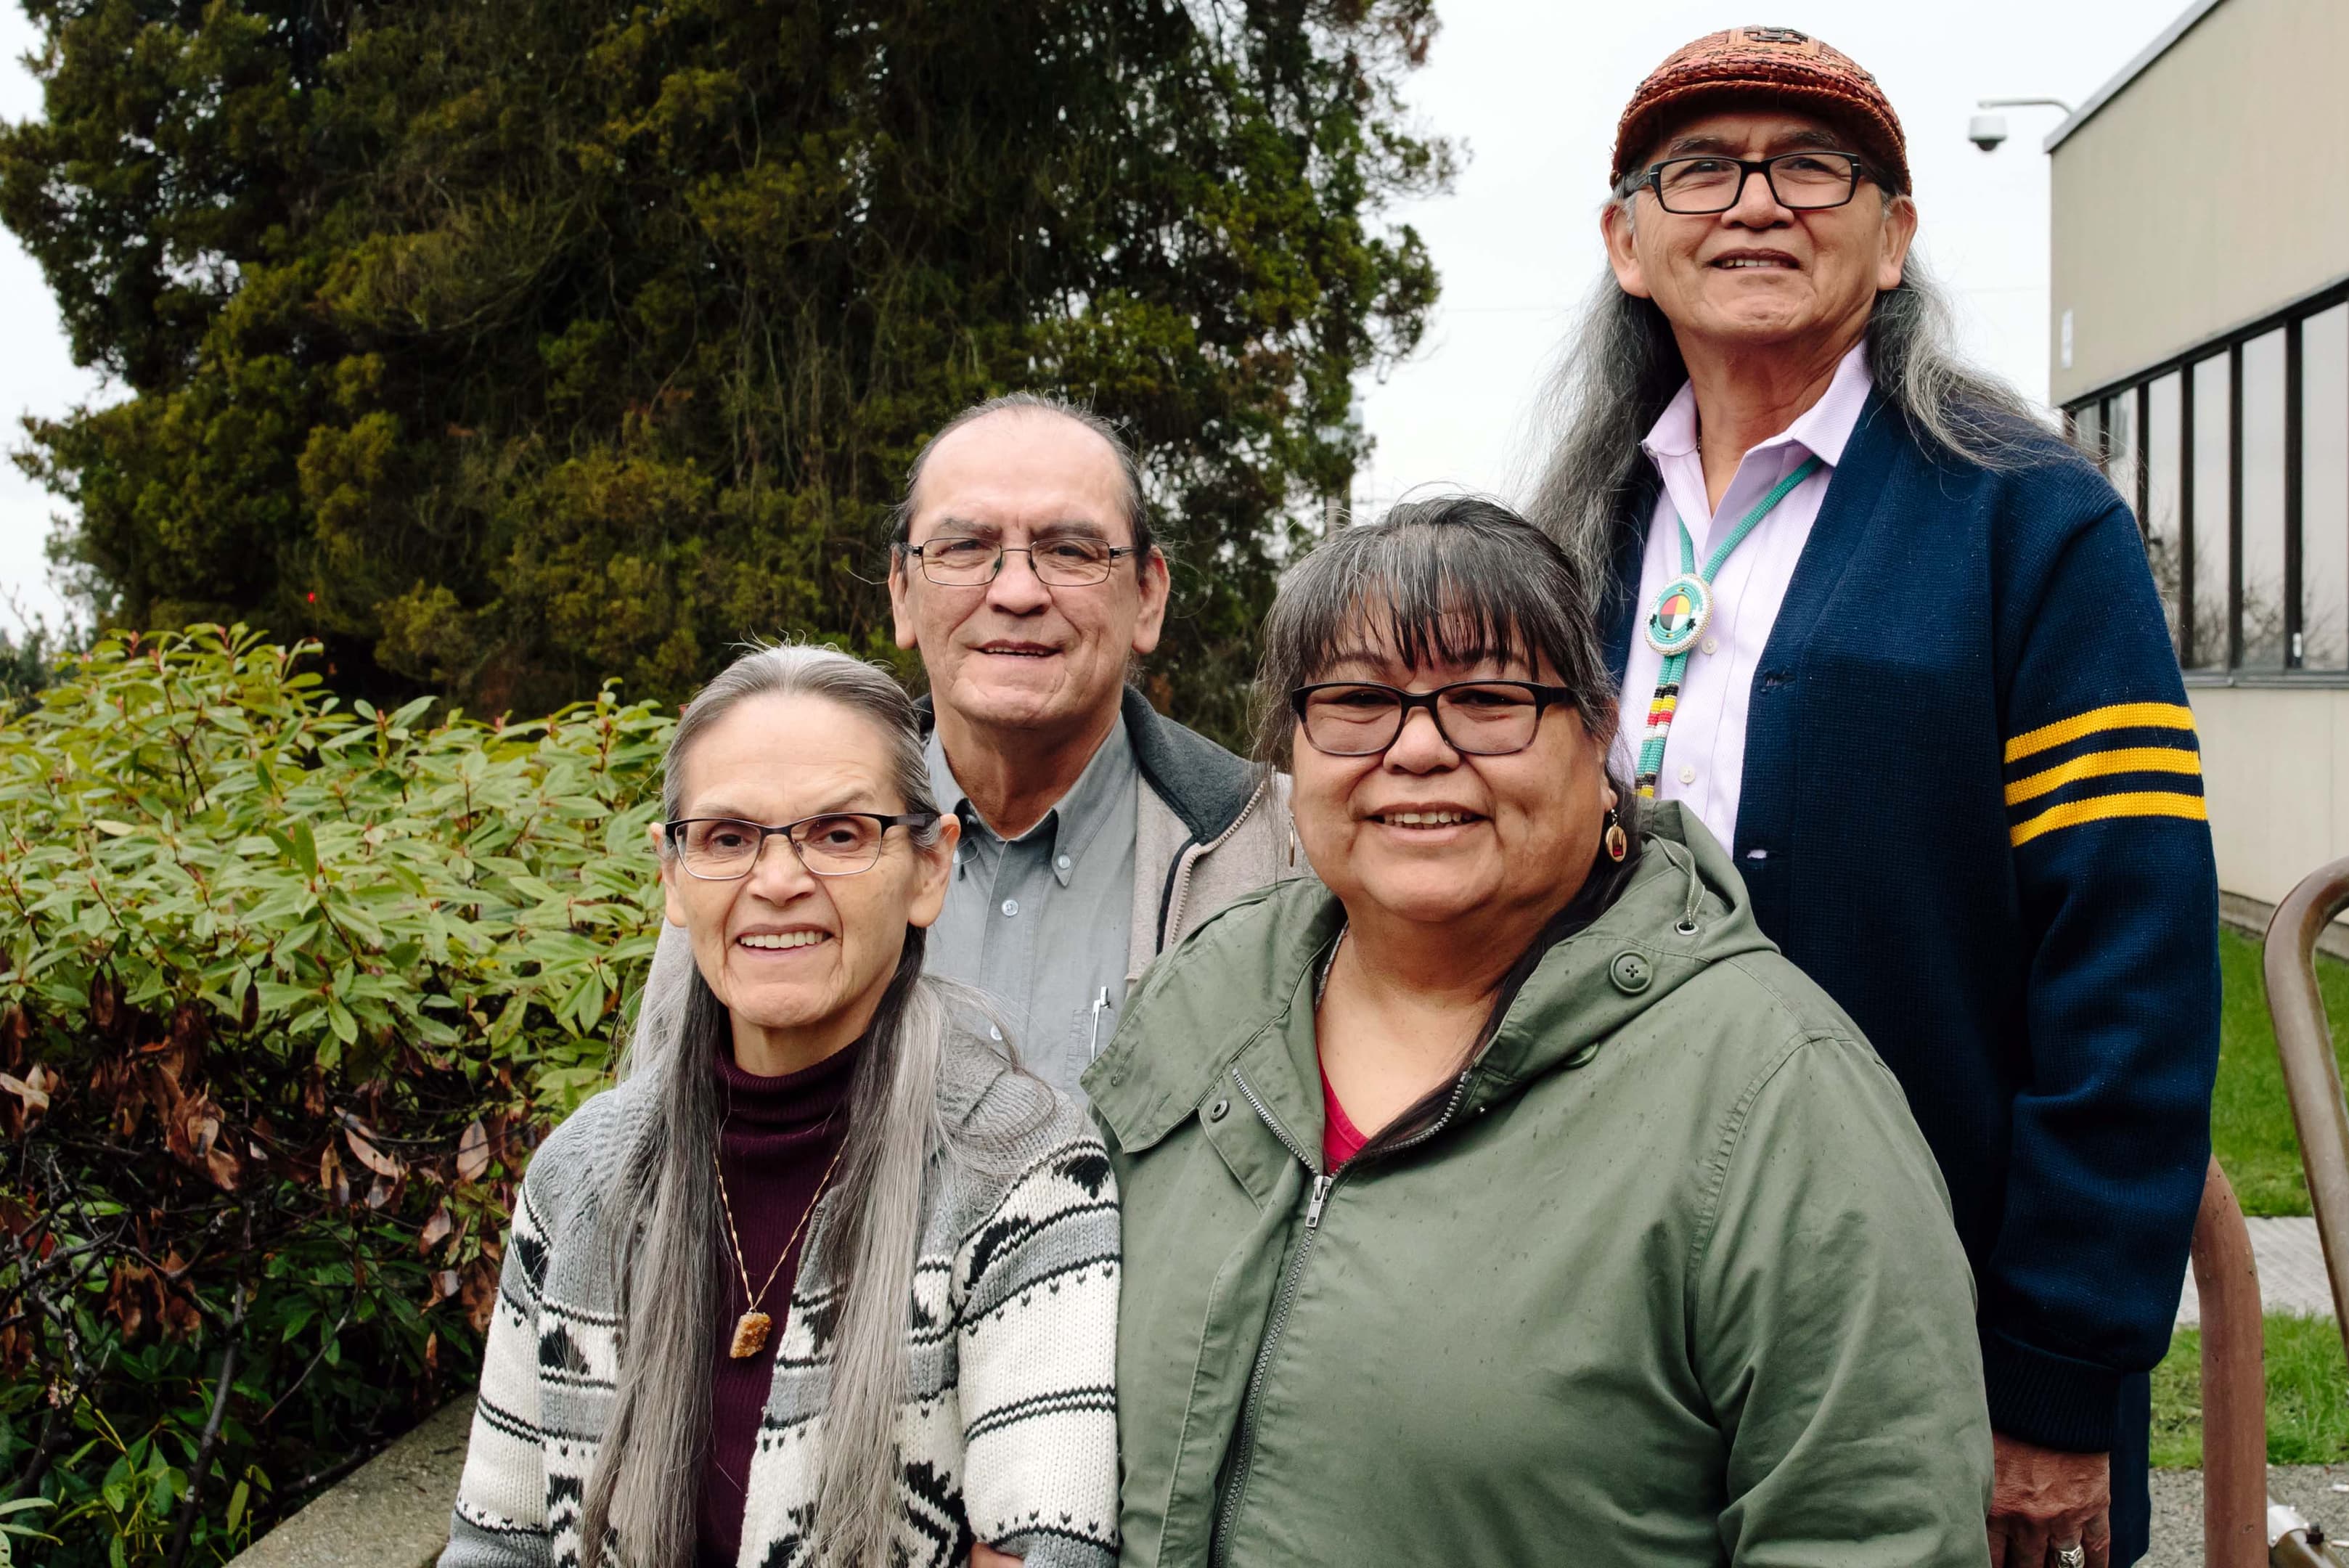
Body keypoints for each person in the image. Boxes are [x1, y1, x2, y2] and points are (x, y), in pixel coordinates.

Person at [1529, 28, 2221, 1568]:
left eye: (1813, 165)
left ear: (1895, 235)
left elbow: (2133, 964)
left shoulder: (2029, 524)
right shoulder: (1579, 537)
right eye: (1701, 167)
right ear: (1627, 242)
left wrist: (2055, 1380)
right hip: (1610, 1295)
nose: (1756, 202)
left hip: (1932, 1311)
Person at [1082, 500, 1991, 1568]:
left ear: (1598, 733)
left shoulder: (1778, 1094)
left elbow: (1874, 1535)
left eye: (1486, 699)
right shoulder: (1210, 988)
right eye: (1358, 701)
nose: (1417, 748)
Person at [444, 645, 1120, 1568]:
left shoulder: (1025, 1179)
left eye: (839, 834)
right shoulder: (580, 1183)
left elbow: (1050, 1551)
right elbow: (497, 1543)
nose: (777, 881)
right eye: (727, 838)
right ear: (673, 875)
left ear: (929, 868)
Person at [645, 393, 1296, 1102]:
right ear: (901, 592)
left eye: (1069, 551)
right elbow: (662, 1137)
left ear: (1147, 595)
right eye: (964, 548)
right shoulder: (750, 845)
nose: (1016, 591)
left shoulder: (1280, 848)